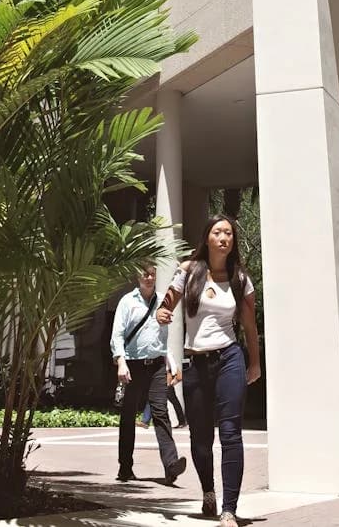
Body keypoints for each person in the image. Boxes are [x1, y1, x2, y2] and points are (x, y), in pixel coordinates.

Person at [158, 215, 260, 526]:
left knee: (231, 434)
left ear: (233, 242)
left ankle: (229, 508)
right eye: (217, 232)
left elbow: (249, 326)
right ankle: (208, 492)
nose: (223, 237)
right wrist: (163, 311)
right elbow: (168, 301)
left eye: (228, 233)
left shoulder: (240, 278)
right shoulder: (189, 270)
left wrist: (254, 362)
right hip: (196, 363)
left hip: (229, 358)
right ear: (207, 238)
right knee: (201, 440)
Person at [110, 266, 187, 486]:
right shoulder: (127, 301)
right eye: (145, 274)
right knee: (127, 417)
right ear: (138, 276)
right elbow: (117, 335)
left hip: (155, 366)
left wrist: (172, 364)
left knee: (161, 413)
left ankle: (171, 465)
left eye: (153, 273)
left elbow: (162, 341)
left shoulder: (163, 301)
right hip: (132, 365)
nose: (150, 277)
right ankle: (125, 467)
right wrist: (121, 363)